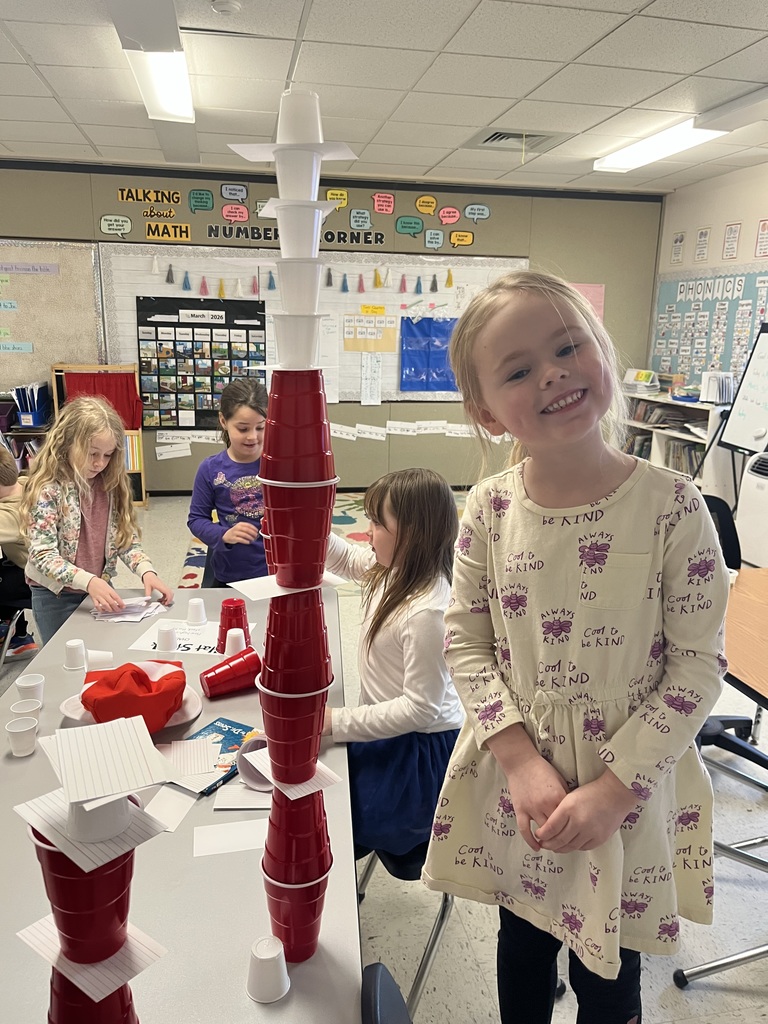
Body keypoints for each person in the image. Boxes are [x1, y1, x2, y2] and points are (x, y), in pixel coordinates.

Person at [422, 271, 729, 1024]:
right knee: (521, 942)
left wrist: (616, 789)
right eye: (520, 370)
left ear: (602, 354)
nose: (554, 373)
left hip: (626, 784)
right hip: (520, 783)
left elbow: (696, 664)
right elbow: (465, 640)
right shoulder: (488, 512)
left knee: (610, 965)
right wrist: (522, 763)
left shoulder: (672, 506)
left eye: (569, 347)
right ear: (486, 413)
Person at [323, 467, 464, 858]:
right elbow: (351, 560)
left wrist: (336, 722)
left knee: (334, 824)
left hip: (415, 753)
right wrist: (308, 524)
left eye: (377, 523)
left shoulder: (427, 612)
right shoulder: (393, 568)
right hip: (386, 730)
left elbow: (420, 709)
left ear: (412, 534)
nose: (366, 531)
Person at [21, 396, 173, 646]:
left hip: (98, 588)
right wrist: (88, 581)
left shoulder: (109, 484)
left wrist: (146, 571)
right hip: (54, 597)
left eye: (107, 455)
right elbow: (42, 554)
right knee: (64, 659)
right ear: (67, 443)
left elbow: (124, 539)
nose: (99, 463)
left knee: (102, 653)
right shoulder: (48, 488)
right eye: (92, 453)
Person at [187, 379, 268, 587]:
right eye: (243, 429)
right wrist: (225, 534)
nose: (253, 437)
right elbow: (196, 519)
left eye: (260, 427)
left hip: (275, 573)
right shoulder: (210, 469)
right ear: (223, 421)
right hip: (230, 575)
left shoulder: (280, 465)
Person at [0, 448, 38, 656]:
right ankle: (18, 633)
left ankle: (15, 637)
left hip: (38, 581)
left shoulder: (8, 515)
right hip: (28, 567)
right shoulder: (25, 484)